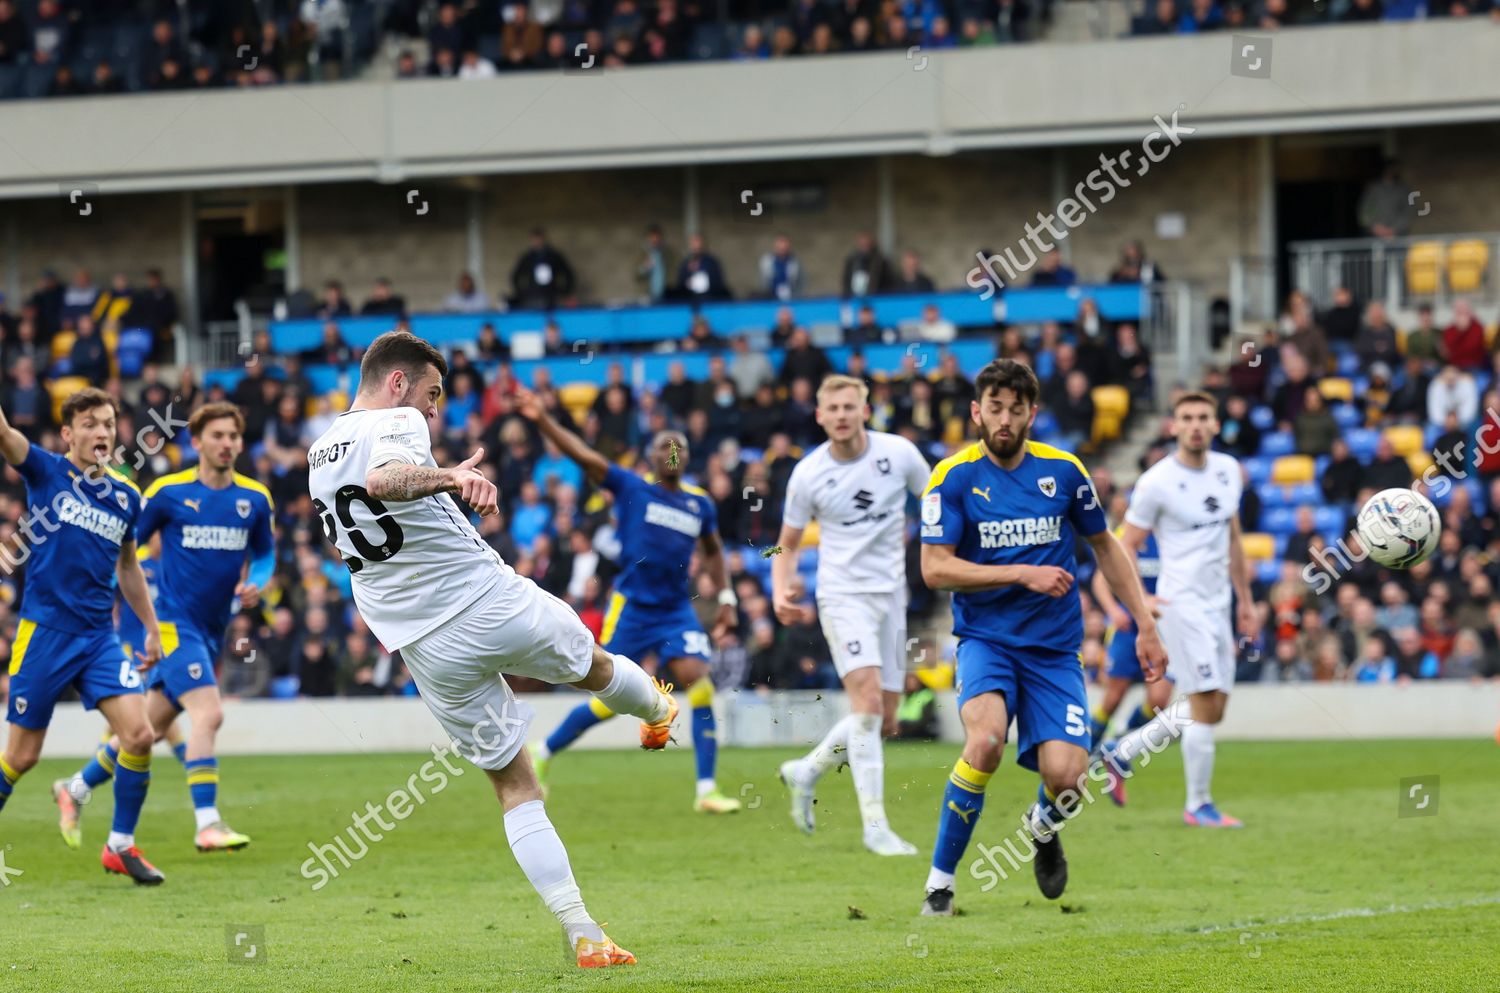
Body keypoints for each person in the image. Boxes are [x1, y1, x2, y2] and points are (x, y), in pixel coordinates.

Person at [308, 331, 672, 967]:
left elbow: (355, 523)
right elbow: (384, 478)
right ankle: (657, 714)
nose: (433, 411)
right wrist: (450, 475)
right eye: (432, 394)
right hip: (483, 600)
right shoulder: (396, 419)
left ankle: (585, 935)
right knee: (595, 666)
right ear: (398, 384)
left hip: (422, 643)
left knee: (514, 783)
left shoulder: (318, 450)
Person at [917, 359, 1164, 916]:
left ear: (1033, 413)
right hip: (986, 640)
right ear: (977, 412)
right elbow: (935, 569)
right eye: (995, 409)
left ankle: (1042, 826)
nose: (1005, 420)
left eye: (1016, 409)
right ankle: (940, 885)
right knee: (983, 744)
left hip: (1053, 650)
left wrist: (1145, 623)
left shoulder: (1066, 472)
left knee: (1068, 776)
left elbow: (1106, 546)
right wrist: (1020, 573)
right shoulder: (951, 478)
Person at [56, 404, 274, 854]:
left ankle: (75, 787)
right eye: (217, 435)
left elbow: (267, 553)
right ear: (197, 442)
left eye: (233, 435)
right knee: (209, 714)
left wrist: (258, 582)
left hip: (212, 631)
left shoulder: (254, 499)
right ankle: (207, 822)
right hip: (173, 625)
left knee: (147, 731)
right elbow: (124, 543)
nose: (227, 443)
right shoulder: (168, 493)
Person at [519, 386, 742, 814]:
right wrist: (542, 419)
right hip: (633, 607)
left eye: (679, 447)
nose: (672, 452)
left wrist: (727, 597)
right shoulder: (632, 488)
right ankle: (543, 752)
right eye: (664, 446)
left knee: (700, 684)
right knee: (608, 697)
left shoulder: (700, 505)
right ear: (650, 456)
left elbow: (714, 552)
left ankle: (706, 790)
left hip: (676, 609)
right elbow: (584, 455)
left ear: (688, 457)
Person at [0, 388, 166, 884]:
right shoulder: (48, 471)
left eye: (109, 424)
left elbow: (128, 565)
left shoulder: (126, 497)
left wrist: (153, 630)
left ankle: (120, 846)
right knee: (22, 757)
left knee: (139, 734)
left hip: (99, 638)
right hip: (45, 632)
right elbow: (6, 435)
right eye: (90, 424)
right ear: (68, 434)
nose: (102, 432)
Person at [771, 375, 933, 857]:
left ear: (866, 410)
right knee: (865, 704)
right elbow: (789, 542)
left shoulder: (900, 454)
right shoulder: (808, 474)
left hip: (892, 595)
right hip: (842, 596)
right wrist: (781, 588)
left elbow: (938, 501)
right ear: (820, 417)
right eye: (832, 408)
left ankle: (807, 770)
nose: (841, 415)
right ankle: (875, 827)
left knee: (883, 719)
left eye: (849, 406)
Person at [1106, 392, 1258, 828]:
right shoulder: (1156, 482)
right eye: (1186, 417)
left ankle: (1123, 751)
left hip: (1219, 604)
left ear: (1215, 425)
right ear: (1173, 426)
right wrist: (1142, 601)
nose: (1195, 425)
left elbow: (1233, 540)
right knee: (1202, 699)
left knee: (1213, 708)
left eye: (1203, 417)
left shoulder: (1229, 471)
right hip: (1181, 604)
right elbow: (1125, 546)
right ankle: (1198, 805)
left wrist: (1245, 602)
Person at [1086, 523, 1169, 806]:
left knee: (1159, 700)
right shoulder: (1128, 535)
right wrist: (1112, 611)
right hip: (1126, 629)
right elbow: (1100, 579)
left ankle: (1117, 748)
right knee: (1113, 698)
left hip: (1161, 628)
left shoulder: (1171, 536)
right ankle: (1084, 755)